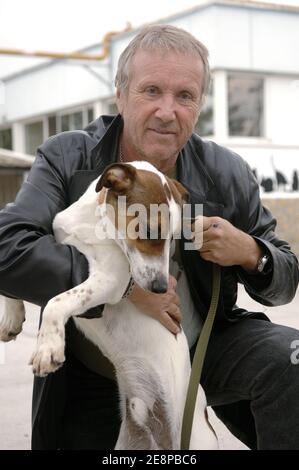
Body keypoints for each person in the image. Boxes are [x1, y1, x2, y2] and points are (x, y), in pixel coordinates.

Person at [0, 24, 298, 450]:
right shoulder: (69, 157)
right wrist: (122, 287)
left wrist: (252, 253)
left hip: (204, 347)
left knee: (292, 359)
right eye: (151, 90)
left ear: (199, 106)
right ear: (120, 95)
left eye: (185, 96)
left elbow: (286, 275)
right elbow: (7, 247)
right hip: (94, 372)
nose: (166, 111)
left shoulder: (227, 173)